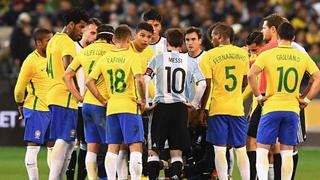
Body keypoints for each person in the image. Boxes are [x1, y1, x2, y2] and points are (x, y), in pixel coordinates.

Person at [248, 22, 320, 180]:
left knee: (262, 149)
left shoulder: (267, 55)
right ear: (293, 37)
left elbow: (251, 75)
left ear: (278, 36)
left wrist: (259, 97)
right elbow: (317, 78)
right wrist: (307, 100)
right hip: (292, 110)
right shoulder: (301, 56)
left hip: (271, 108)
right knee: (287, 151)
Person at [86, 25, 146, 180]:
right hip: (129, 106)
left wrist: (102, 99)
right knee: (135, 146)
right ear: (129, 40)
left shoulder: (104, 58)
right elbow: (140, 79)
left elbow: (89, 81)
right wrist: (143, 99)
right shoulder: (133, 56)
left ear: (113, 40)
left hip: (111, 107)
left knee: (112, 147)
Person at [145, 28, 206, 179]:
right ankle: (174, 176)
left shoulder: (158, 58)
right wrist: (194, 104)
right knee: (176, 152)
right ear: (182, 43)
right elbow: (203, 84)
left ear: (167, 42)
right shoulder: (190, 61)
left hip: (161, 107)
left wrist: (146, 101)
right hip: (179, 109)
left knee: (154, 151)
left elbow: (145, 79)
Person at [199, 23, 250, 180]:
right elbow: (244, 82)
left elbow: (206, 84)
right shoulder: (243, 54)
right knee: (241, 149)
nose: (211, 40)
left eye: (213, 36)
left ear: (220, 36)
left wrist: (202, 109)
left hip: (217, 108)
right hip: (236, 108)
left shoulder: (208, 55)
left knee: (219, 150)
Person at [63, 24, 115, 180]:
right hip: (103, 103)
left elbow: (67, 75)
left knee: (91, 147)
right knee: (110, 147)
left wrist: (78, 96)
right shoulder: (113, 51)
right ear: (112, 38)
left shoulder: (85, 51)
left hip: (86, 105)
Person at [46, 8, 89, 180]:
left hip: (54, 94)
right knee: (64, 140)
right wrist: (79, 94)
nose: (82, 31)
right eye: (80, 27)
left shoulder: (53, 40)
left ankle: (58, 177)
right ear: (71, 25)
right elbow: (67, 70)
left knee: (70, 142)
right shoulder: (67, 43)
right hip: (64, 96)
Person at [116, 22, 154, 179]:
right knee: (124, 145)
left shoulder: (150, 53)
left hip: (144, 105)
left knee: (134, 144)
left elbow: (149, 79)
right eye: (142, 36)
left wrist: (152, 100)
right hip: (128, 103)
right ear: (134, 36)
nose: (146, 40)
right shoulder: (125, 50)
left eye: (149, 37)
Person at [14, 28, 53, 180]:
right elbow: (19, 88)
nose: (51, 44)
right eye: (48, 41)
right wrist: (20, 103)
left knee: (54, 147)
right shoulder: (31, 61)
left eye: (52, 40)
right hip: (37, 109)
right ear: (38, 43)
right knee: (33, 146)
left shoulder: (54, 58)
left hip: (54, 109)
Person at [67, 17, 102, 180]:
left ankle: (82, 177)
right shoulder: (74, 49)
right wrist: (77, 95)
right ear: (84, 31)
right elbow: (66, 75)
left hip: (88, 104)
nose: (94, 36)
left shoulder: (97, 52)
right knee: (72, 144)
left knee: (86, 144)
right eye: (92, 32)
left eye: (97, 33)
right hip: (75, 104)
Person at [242, 31, 265, 180]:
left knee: (254, 141)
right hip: (257, 105)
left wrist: (240, 99)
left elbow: (251, 81)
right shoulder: (254, 57)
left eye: (254, 50)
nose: (252, 53)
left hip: (263, 104)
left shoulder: (262, 59)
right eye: (250, 50)